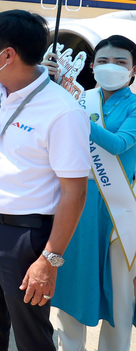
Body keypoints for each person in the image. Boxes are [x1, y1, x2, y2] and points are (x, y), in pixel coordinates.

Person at [0, 10, 91, 351]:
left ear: (7, 55)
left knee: (32, 337)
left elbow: (74, 193)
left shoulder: (62, 112)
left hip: (26, 238)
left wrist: (49, 260)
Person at [45, 36, 136, 351]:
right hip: (78, 207)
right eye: (103, 61)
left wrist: (74, 108)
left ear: (134, 69)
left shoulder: (132, 105)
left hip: (118, 214)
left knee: (119, 295)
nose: (111, 67)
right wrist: (51, 87)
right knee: (71, 285)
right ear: (92, 66)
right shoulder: (79, 97)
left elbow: (119, 144)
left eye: (120, 62)